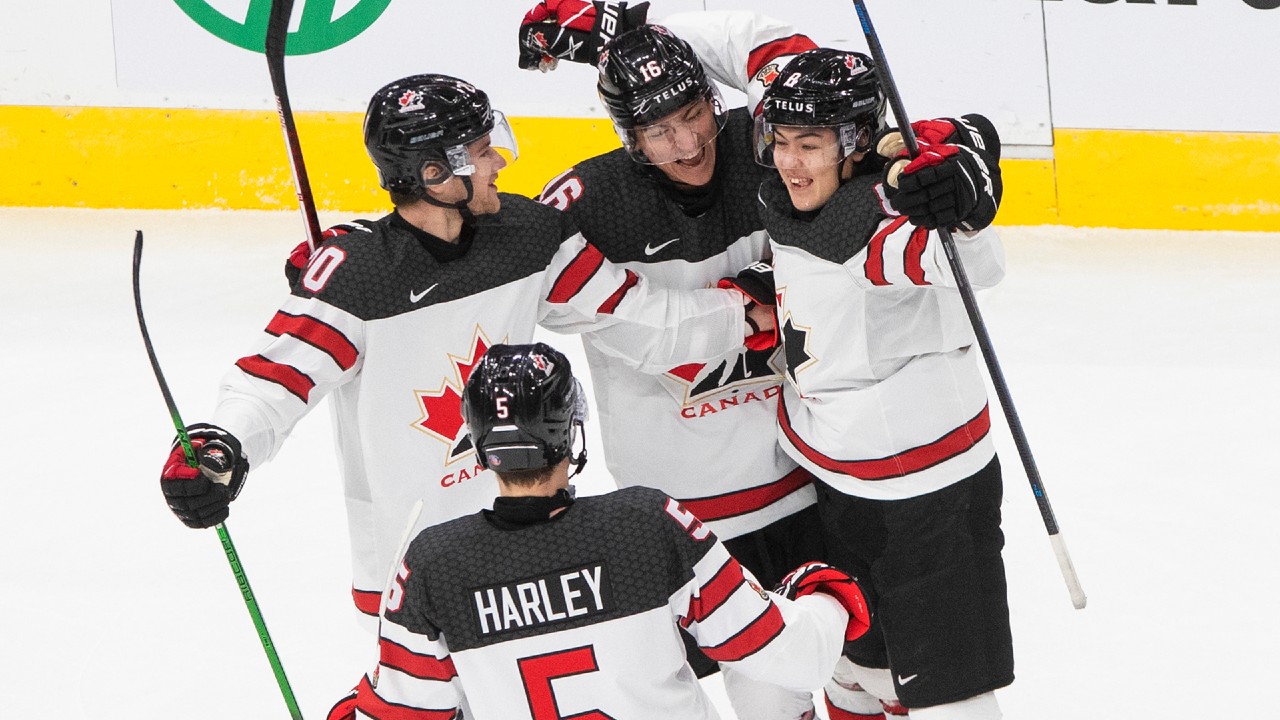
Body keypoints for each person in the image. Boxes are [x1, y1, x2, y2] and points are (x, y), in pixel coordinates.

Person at [157, 73, 773, 718]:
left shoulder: (531, 236)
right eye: (481, 150)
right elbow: (272, 383)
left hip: (527, 548)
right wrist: (220, 446)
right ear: (432, 172)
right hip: (409, 568)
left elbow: (635, 317)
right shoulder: (357, 277)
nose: (500, 158)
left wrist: (744, 311)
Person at [517, 8, 898, 718]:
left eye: (695, 112)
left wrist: (633, 23)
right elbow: (536, 287)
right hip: (675, 522)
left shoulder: (770, 148)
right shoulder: (588, 202)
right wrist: (737, 311)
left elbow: (793, 57)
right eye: (659, 131)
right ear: (627, 135)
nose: (689, 142)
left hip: (799, 488)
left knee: (860, 674)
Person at [357, 341, 873, 720]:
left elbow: (398, 714)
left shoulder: (433, 564)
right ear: (569, 431)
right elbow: (789, 656)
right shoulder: (643, 524)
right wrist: (820, 591)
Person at [752, 47, 1014, 720]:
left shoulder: (881, 221)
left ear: (854, 143)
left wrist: (970, 202)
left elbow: (968, 262)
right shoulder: (794, 196)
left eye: (808, 144)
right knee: (857, 668)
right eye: (780, 141)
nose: (789, 161)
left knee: (948, 693)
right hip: (837, 477)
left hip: (924, 494)